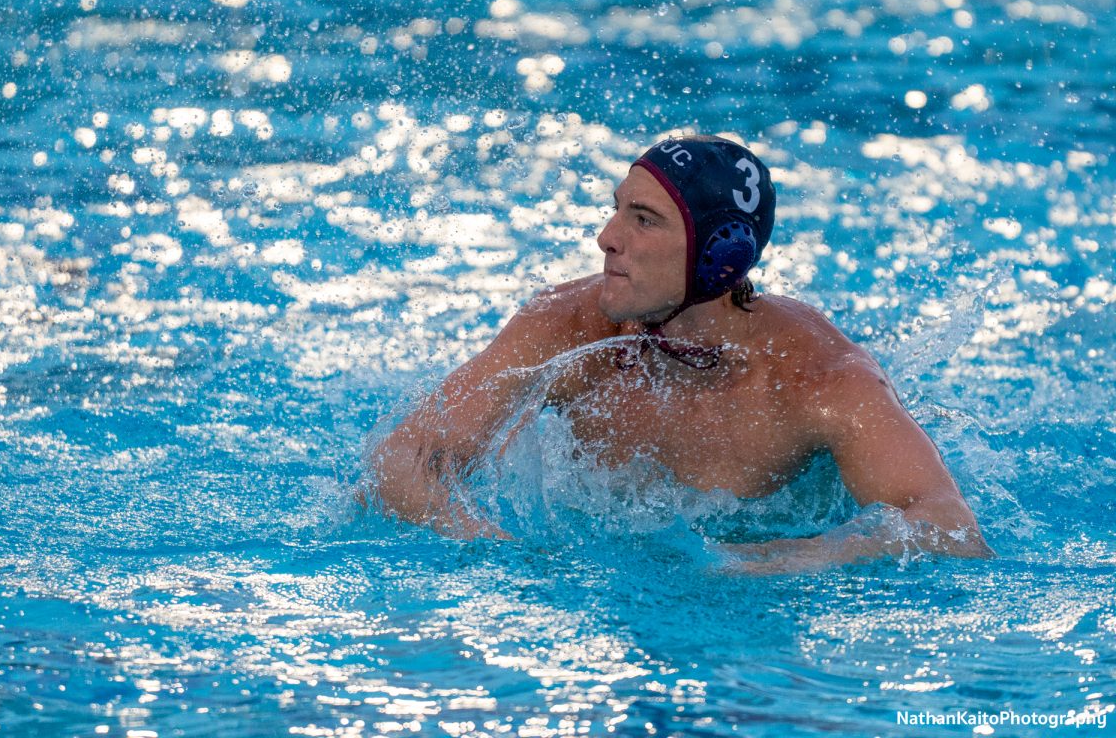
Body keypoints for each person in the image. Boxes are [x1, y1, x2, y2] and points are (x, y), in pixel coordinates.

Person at [369, 134, 993, 571]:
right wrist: (495, 550)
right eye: (617, 210)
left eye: (644, 220)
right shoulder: (567, 328)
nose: (606, 237)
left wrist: (792, 557)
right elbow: (405, 459)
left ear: (718, 255)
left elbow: (949, 526)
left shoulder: (818, 379)